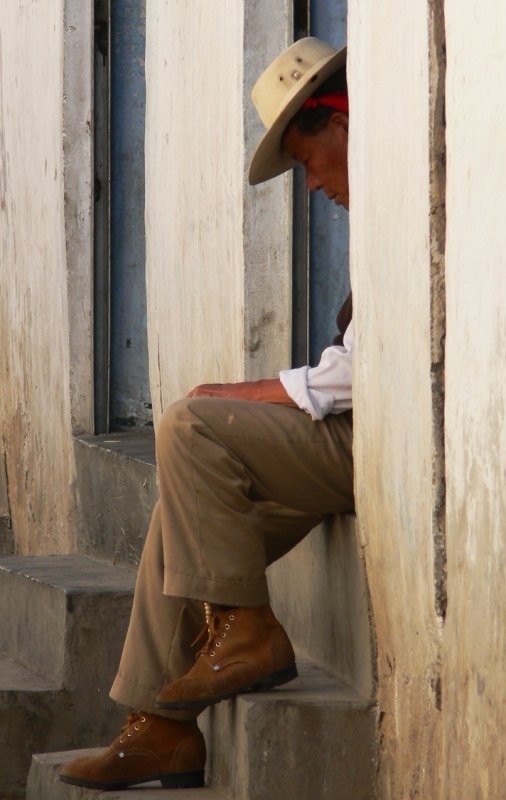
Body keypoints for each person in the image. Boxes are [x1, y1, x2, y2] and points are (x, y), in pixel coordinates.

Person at [59, 36, 353, 791]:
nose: (313, 186)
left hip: (371, 444)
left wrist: (244, 393)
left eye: (307, 158)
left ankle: (247, 629)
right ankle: (157, 728)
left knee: (189, 426)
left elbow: (359, 378)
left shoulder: (416, 204)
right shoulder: (381, 219)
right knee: (178, 518)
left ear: (341, 122)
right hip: (349, 436)